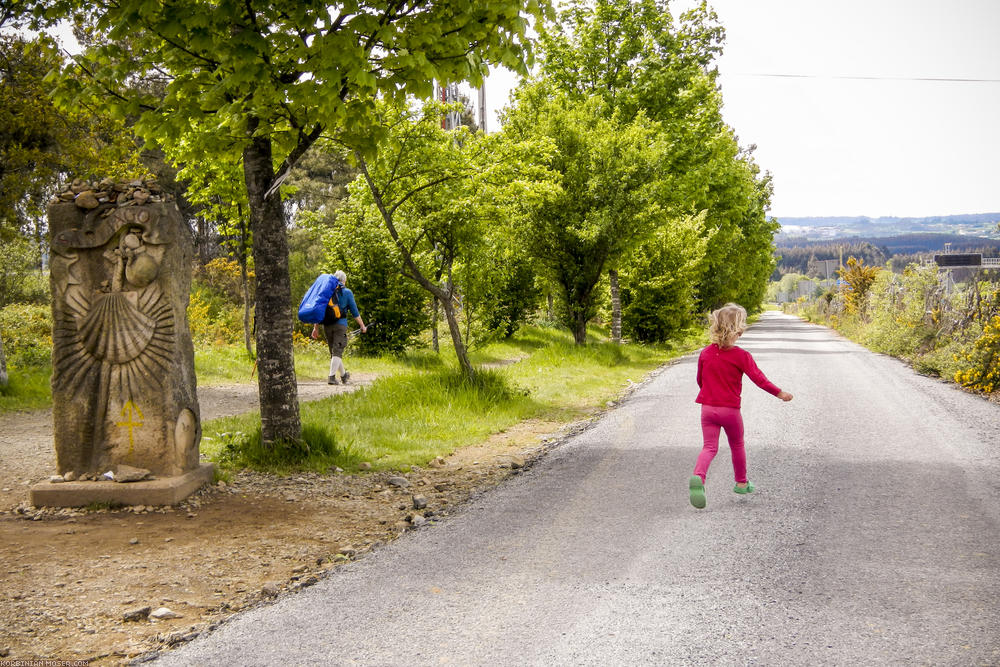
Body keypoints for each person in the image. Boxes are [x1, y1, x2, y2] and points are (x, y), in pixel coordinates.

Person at [689, 303, 792, 509]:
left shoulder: (705, 353)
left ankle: (699, 477)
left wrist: (710, 392)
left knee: (709, 447)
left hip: (707, 409)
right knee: (737, 445)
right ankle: (741, 483)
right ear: (737, 330)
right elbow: (759, 379)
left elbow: (700, 380)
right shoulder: (741, 356)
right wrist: (779, 393)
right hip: (730, 411)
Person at [311, 270, 366, 385]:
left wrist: (315, 328)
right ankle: (331, 377)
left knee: (335, 351)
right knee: (337, 351)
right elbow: (355, 312)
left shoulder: (327, 292)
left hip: (327, 325)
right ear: (344, 281)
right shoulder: (347, 292)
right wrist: (362, 325)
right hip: (340, 325)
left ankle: (343, 375)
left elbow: (319, 310)